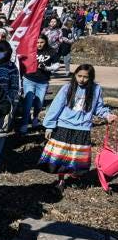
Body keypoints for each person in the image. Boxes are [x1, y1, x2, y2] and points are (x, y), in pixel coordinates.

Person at [40, 64, 116, 192]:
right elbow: (55, 107)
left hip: (82, 128)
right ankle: (61, 180)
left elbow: (98, 107)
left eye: (85, 77)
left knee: (77, 155)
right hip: (64, 126)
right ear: (75, 75)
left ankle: (74, 174)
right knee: (61, 155)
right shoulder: (67, 88)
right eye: (79, 76)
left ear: (91, 78)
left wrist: (107, 115)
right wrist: (49, 126)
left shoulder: (96, 90)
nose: (82, 79)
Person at [19, 35, 60, 134]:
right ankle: (24, 123)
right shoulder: (30, 50)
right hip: (29, 79)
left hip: (43, 81)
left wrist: (47, 68)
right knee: (28, 103)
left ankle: (35, 119)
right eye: (37, 42)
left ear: (45, 42)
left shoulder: (51, 51)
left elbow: (57, 65)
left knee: (39, 103)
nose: (39, 44)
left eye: (41, 42)